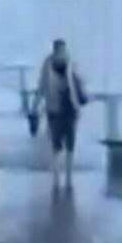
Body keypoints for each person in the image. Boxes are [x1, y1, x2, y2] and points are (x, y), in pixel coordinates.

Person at [33, 39, 89, 185]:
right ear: (55, 49)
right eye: (59, 49)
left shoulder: (71, 63)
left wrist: (80, 100)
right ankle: (58, 175)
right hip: (54, 108)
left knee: (70, 141)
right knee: (56, 142)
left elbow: (78, 84)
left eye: (62, 49)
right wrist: (35, 105)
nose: (61, 52)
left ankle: (68, 175)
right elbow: (42, 85)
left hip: (69, 108)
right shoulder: (48, 64)